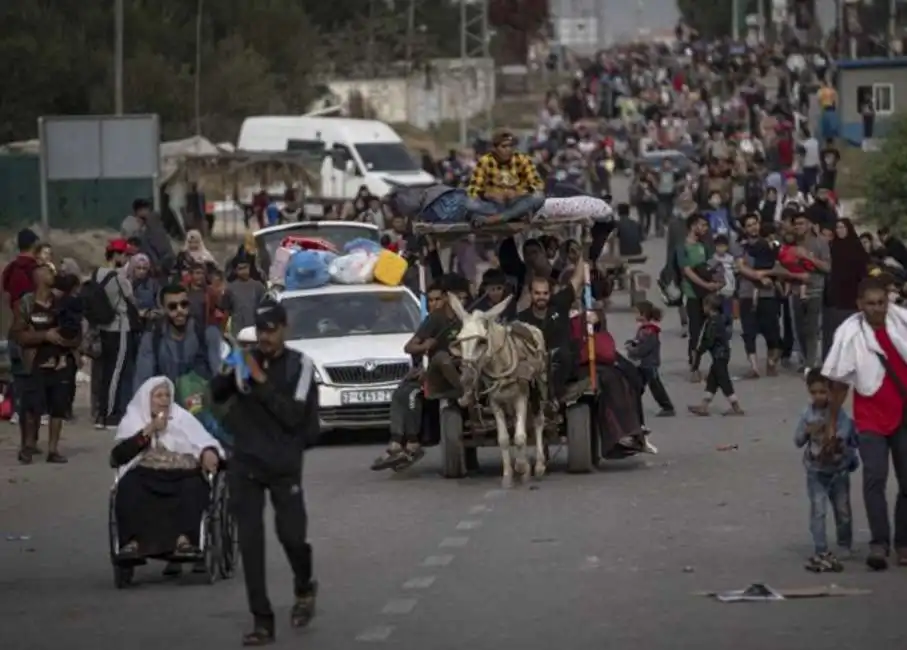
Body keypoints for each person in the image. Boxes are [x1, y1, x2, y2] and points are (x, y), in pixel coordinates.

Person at [209, 300, 319, 645]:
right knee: (251, 544)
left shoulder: (300, 366)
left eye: (272, 330)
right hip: (246, 463)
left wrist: (260, 381)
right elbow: (215, 392)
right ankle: (262, 620)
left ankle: (304, 587)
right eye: (261, 331)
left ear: (284, 328)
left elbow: (293, 416)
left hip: (284, 466)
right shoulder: (245, 357)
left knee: (292, 538)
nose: (266, 338)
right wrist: (231, 370)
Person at [822, 276, 907, 571]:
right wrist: (832, 422)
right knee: (875, 478)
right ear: (860, 305)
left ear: (888, 302)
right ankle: (879, 542)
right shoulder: (850, 335)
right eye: (870, 304)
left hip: (904, 415)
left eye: (881, 303)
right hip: (871, 417)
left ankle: (903, 543)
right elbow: (841, 383)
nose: (876, 309)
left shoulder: (902, 327)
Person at [111, 376, 223, 558]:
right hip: (145, 473)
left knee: (195, 487)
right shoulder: (134, 421)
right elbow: (117, 457)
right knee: (128, 487)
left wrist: (208, 453)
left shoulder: (182, 418)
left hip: (182, 473)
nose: (164, 400)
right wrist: (150, 429)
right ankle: (133, 543)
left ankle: (184, 541)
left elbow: (204, 442)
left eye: (167, 396)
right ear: (147, 399)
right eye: (158, 396)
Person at [10, 263, 81, 463]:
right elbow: (18, 334)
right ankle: (28, 446)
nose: (54, 273)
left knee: (58, 407)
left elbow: (75, 332)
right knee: (31, 407)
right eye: (49, 271)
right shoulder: (26, 303)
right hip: (34, 363)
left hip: (59, 363)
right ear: (38, 277)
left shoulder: (62, 303)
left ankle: (53, 449)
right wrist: (45, 335)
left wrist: (65, 342)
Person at [373, 282, 448, 471]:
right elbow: (409, 347)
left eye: (437, 299)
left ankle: (413, 444)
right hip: (427, 373)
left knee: (413, 395)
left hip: (444, 376)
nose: (433, 304)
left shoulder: (452, 321)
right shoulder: (431, 321)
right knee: (399, 393)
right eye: (430, 300)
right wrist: (424, 347)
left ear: (446, 299)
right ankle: (396, 443)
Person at [795, 370, 857, 573]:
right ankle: (820, 548)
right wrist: (807, 431)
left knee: (843, 510)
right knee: (818, 510)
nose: (819, 396)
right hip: (815, 471)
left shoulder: (840, 415)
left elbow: (846, 437)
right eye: (815, 392)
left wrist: (834, 439)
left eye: (823, 391)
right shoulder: (807, 414)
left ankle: (844, 544)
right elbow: (797, 441)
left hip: (838, 471)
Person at [517, 260, 585, 405]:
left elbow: (578, 279)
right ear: (530, 293)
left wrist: (583, 253)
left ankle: (553, 399)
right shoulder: (522, 319)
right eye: (537, 293)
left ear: (550, 293)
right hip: (533, 370)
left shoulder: (560, 303)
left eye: (545, 293)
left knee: (564, 356)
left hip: (561, 365)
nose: (541, 297)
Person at [133, 284, 223, 390]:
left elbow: (219, 374)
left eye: (184, 304)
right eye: (173, 307)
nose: (180, 310)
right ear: (163, 309)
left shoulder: (207, 334)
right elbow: (142, 382)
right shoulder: (152, 339)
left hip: (201, 400)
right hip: (167, 401)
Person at [94, 239, 138, 428]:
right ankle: (109, 415)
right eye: (125, 254)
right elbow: (131, 300)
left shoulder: (97, 273)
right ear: (117, 255)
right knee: (116, 372)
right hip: (119, 327)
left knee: (105, 371)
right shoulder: (119, 277)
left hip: (103, 327)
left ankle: (100, 411)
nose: (126, 258)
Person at [2, 228, 41, 428]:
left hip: (13, 330)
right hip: (32, 331)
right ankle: (32, 418)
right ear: (35, 245)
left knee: (17, 376)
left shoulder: (10, 269)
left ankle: (17, 411)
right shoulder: (35, 270)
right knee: (33, 379)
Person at [465, 128, 545, 225]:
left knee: (539, 197)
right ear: (494, 148)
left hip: (516, 202)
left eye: (511, 146)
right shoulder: (485, 161)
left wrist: (518, 193)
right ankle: (514, 215)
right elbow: (473, 189)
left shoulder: (522, 159)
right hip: (494, 204)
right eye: (504, 146)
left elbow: (538, 184)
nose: (508, 149)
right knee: (469, 203)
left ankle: (497, 218)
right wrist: (488, 194)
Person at [678, 213, 722, 381]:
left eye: (706, 226)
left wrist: (718, 279)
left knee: (711, 331)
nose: (704, 229)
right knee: (695, 331)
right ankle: (694, 366)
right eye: (702, 225)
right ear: (692, 226)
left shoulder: (703, 245)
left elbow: (709, 265)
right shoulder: (682, 247)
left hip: (707, 294)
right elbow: (687, 271)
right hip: (692, 294)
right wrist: (706, 285)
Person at [688, 294, 744, 416]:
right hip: (721, 354)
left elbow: (709, 339)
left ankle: (736, 407)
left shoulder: (713, 321)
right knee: (712, 382)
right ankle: (704, 406)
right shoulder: (719, 319)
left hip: (719, 355)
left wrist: (699, 351)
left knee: (724, 381)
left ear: (708, 307)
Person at [790, 212, 830, 373]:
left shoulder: (820, 243)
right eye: (796, 224)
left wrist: (809, 258)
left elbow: (827, 267)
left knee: (812, 328)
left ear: (808, 225)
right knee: (799, 328)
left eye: (802, 223)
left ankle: (811, 363)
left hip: (815, 289)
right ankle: (806, 359)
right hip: (795, 290)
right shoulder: (791, 243)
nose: (799, 227)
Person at [823, 219, 870, 359]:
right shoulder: (833, 247)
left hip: (853, 296)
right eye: (837, 227)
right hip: (836, 297)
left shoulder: (856, 248)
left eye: (842, 227)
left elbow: (863, 272)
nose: (839, 230)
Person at [625, 301, 674, 417]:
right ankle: (632, 405)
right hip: (643, 364)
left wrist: (631, 350)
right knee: (637, 385)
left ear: (643, 314)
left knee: (655, 386)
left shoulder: (649, 331)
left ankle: (667, 406)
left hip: (649, 364)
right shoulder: (644, 329)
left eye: (637, 313)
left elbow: (644, 349)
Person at [222, 255, 267, 337]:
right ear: (235, 270)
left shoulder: (258, 286)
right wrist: (223, 331)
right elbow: (226, 312)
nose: (244, 271)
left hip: (256, 330)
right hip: (237, 331)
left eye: (245, 268)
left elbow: (265, 309)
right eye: (240, 269)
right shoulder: (230, 289)